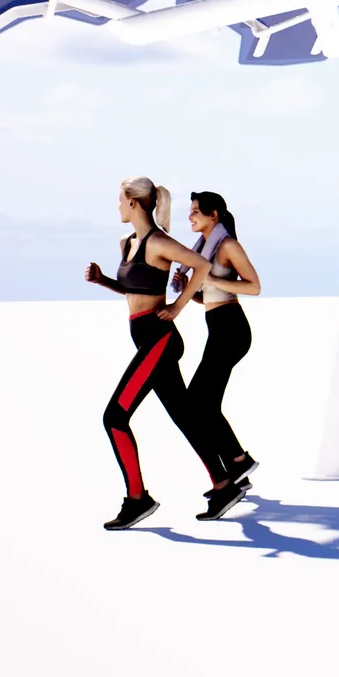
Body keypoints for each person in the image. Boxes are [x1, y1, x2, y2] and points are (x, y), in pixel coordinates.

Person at [83, 176, 241, 530]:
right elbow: (132, 289)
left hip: (160, 339)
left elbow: (200, 266)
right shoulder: (129, 243)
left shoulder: (159, 242)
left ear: (135, 203)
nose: (119, 207)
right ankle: (224, 483)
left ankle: (137, 499)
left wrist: (178, 307)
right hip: (144, 336)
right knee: (184, 415)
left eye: (121, 201)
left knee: (115, 417)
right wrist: (103, 280)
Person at [182, 190, 262, 519]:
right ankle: (239, 462)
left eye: (196, 212)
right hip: (216, 323)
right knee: (203, 403)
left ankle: (235, 469)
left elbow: (254, 286)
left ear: (214, 215)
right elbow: (208, 299)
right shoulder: (202, 249)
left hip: (232, 328)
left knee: (196, 402)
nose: (190, 218)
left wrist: (210, 277)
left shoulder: (227, 246)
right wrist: (189, 286)